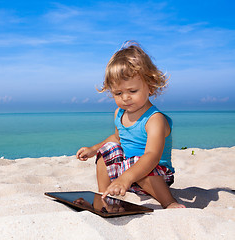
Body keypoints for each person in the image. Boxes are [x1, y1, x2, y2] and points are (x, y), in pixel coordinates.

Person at [76, 41, 185, 209]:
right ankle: (105, 194)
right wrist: (93, 149)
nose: (125, 97)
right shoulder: (119, 114)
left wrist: (126, 178)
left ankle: (169, 202)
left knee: (138, 162)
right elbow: (117, 138)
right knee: (107, 150)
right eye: (118, 93)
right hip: (126, 174)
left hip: (155, 174)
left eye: (132, 91)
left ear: (150, 86)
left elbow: (151, 156)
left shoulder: (154, 119)